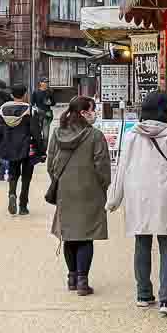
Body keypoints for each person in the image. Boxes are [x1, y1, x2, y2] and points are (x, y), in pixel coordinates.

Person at [108, 91, 167, 315]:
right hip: (166, 196)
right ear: (165, 112)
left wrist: (113, 200)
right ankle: (166, 301)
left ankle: (143, 294)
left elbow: (121, 168)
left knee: (141, 243)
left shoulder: (133, 134)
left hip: (137, 194)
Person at [47, 95, 112, 296]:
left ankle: (72, 277)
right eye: (92, 109)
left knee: (69, 235)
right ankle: (83, 280)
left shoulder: (57, 134)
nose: (95, 113)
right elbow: (103, 166)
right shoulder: (95, 136)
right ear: (84, 113)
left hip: (65, 190)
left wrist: (59, 182)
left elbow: (50, 164)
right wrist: (103, 186)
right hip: (90, 190)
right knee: (86, 236)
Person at [0, 84, 38, 216]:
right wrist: (40, 150)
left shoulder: (3, 110)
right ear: (25, 95)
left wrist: (2, 144)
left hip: (10, 147)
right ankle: (23, 206)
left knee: (13, 174)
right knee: (26, 176)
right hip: (27, 147)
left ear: (12, 95)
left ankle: (12, 194)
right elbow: (35, 132)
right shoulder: (30, 110)